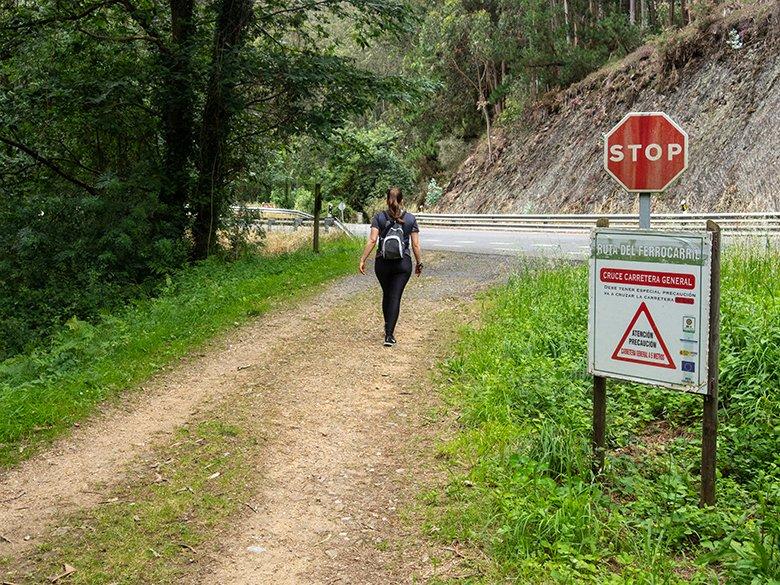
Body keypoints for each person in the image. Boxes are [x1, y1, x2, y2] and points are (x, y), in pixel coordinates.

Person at [359, 187, 423, 346]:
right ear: (402, 200)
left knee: (387, 294)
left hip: (382, 263)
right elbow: (415, 245)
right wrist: (419, 262)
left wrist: (363, 259)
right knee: (395, 296)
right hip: (403, 264)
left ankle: (388, 326)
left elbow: (372, 241)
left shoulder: (379, 217)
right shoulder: (410, 219)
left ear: (387, 200)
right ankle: (389, 335)